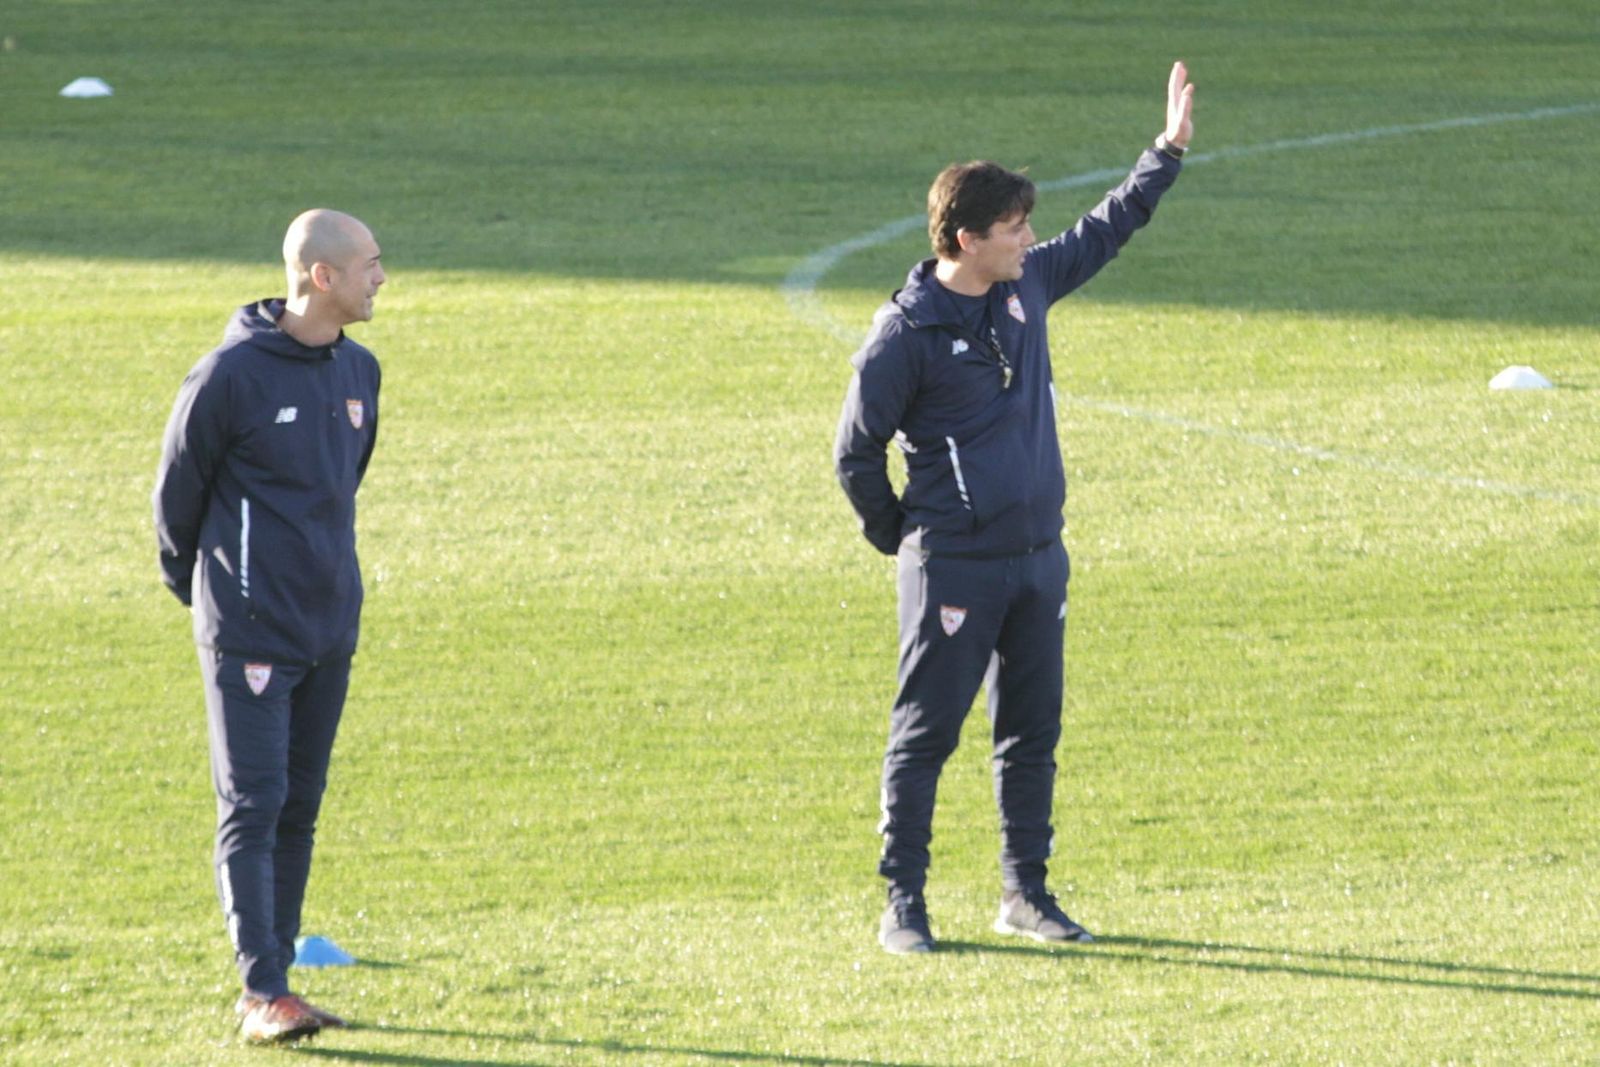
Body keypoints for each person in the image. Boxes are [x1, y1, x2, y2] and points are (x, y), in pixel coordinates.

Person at [833, 64, 1195, 954]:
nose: (1031, 238)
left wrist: (1167, 153)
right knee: (925, 738)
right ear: (964, 239)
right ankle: (903, 904)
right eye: (1014, 227)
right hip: (954, 564)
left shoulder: (1024, 287)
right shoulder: (904, 334)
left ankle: (1024, 895)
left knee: (1031, 734)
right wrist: (907, 535)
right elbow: (854, 451)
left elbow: (1106, 230)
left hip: (1039, 557)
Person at [152, 209, 385, 1039]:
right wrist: (216, 601)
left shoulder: (361, 373)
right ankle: (260, 993)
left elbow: (340, 488)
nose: (380, 279)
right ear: (321, 277)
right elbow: (176, 503)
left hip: (328, 631)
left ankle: (280, 977)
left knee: (299, 805)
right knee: (252, 803)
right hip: (249, 630)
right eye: (368, 265)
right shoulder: (230, 375)